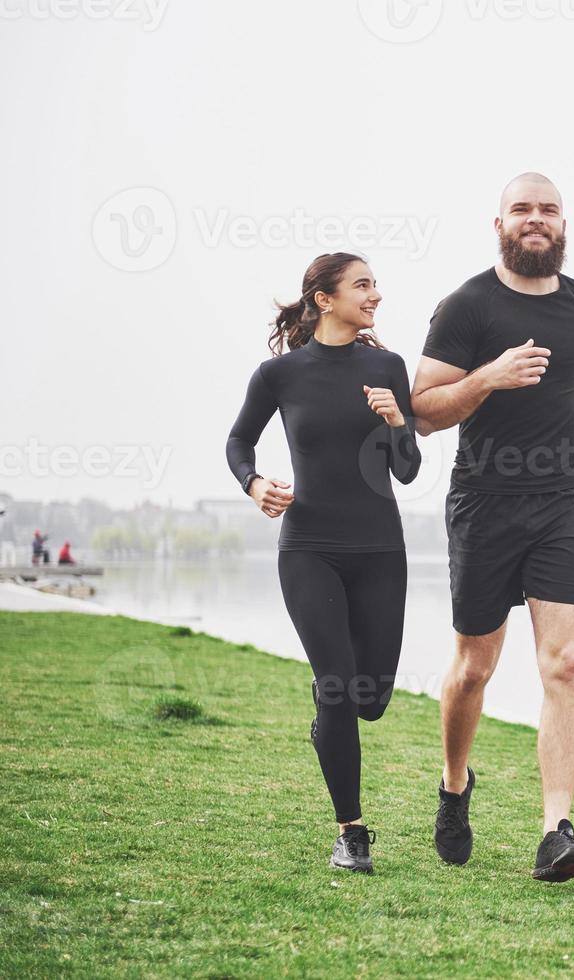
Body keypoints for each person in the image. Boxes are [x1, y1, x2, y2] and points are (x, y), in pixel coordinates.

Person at [411, 172, 574, 880]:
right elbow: (422, 408)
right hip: (482, 502)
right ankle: (454, 787)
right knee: (475, 666)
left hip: (562, 502)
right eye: (521, 209)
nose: (535, 219)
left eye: (547, 210)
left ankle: (555, 833)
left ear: (564, 224)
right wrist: (488, 377)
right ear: (499, 224)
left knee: (564, 663)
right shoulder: (467, 306)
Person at [225, 252, 421, 873]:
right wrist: (255, 484)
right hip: (308, 548)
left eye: (375, 285)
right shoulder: (279, 375)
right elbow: (237, 440)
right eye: (364, 286)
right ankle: (352, 832)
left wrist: (395, 420)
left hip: (380, 551)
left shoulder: (387, 366)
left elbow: (408, 469)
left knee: (371, 699)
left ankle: (332, 716)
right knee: (337, 688)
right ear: (324, 299)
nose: (377, 296)